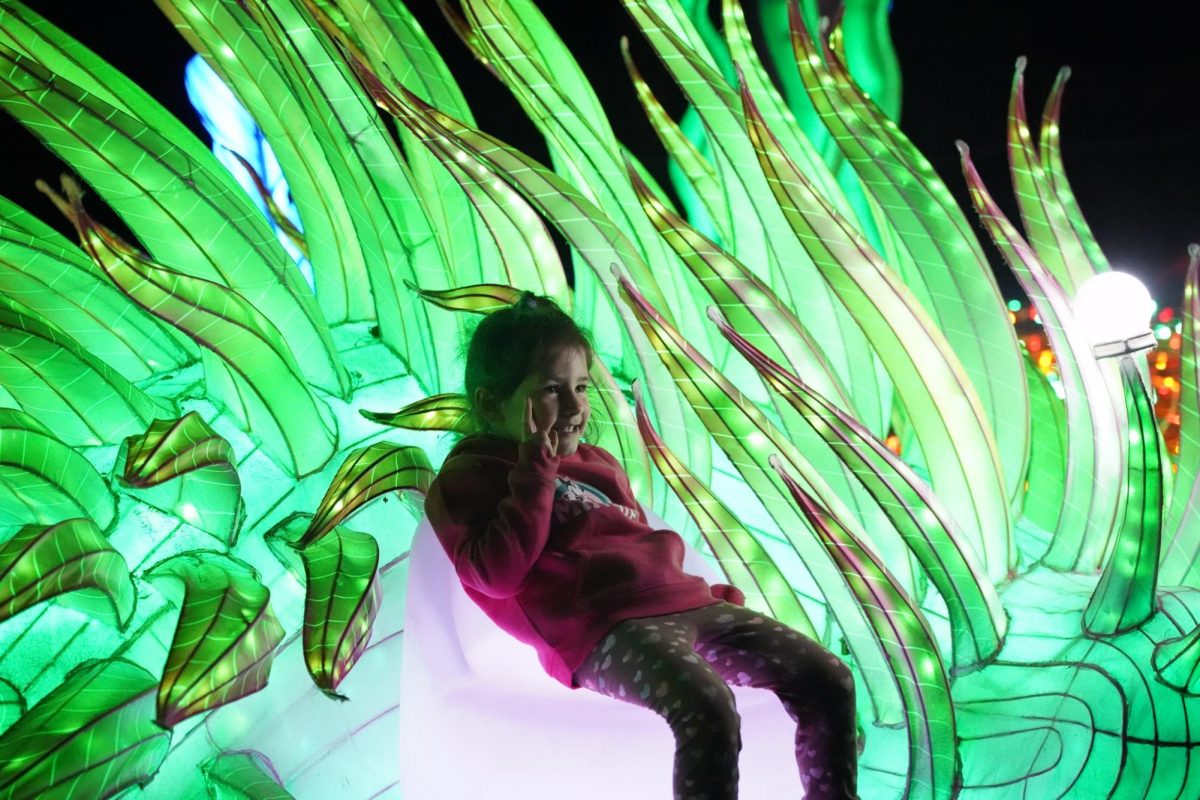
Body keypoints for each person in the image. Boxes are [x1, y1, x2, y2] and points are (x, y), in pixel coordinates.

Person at [424, 293, 859, 800]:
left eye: (581, 387)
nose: (573, 407)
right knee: (708, 705)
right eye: (550, 389)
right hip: (602, 630)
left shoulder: (599, 462)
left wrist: (702, 593)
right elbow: (497, 576)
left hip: (687, 606)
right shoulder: (468, 476)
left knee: (830, 679)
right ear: (489, 403)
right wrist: (535, 472)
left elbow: (636, 541)